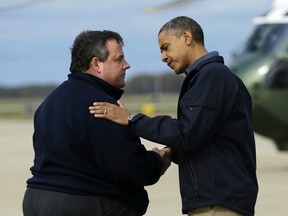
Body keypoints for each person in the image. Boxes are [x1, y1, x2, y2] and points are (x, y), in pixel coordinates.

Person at [89, 16, 258, 216]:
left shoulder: (212, 76)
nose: (163, 57)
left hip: (219, 203)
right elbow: (204, 135)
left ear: (187, 37)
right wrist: (172, 152)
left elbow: (188, 132)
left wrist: (132, 119)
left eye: (166, 47)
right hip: (218, 200)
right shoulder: (212, 77)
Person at [22, 30, 171, 216]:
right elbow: (132, 168)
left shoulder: (49, 102)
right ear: (96, 64)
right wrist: (157, 160)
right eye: (118, 59)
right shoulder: (103, 108)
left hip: (35, 200)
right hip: (83, 202)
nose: (127, 65)